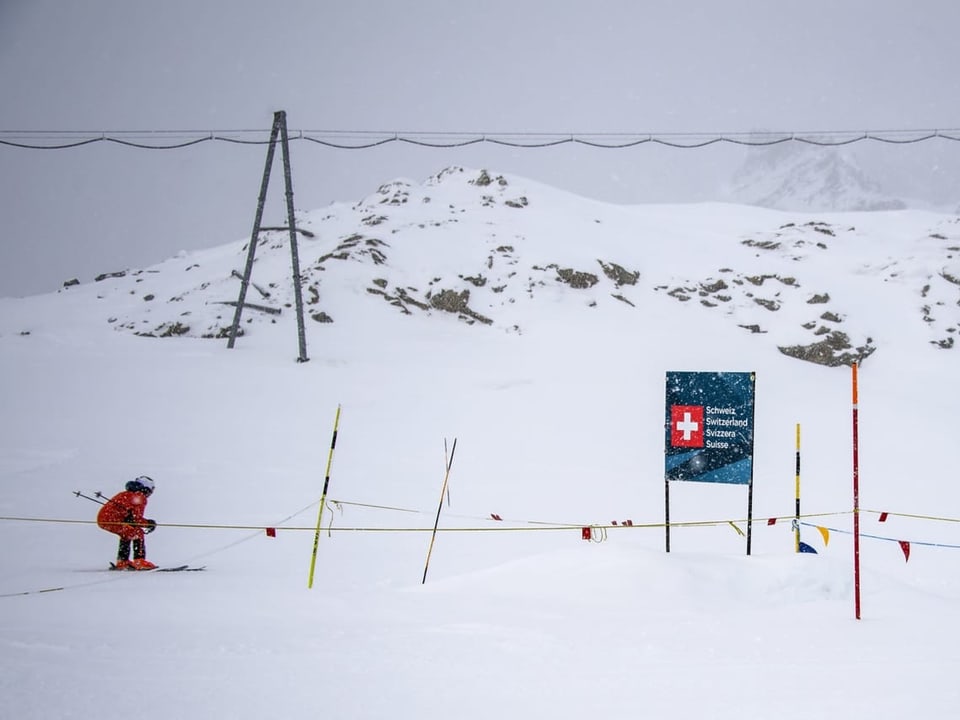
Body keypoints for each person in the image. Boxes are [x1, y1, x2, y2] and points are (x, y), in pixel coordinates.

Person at [97, 476, 158, 570]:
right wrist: (149, 524)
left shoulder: (127, 494)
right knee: (138, 532)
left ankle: (122, 561)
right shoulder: (139, 496)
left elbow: (130, 516)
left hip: (105, 519)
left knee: (128, 532)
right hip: (113, 521)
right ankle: (139, 561)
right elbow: (136, 519)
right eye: (152, 489)